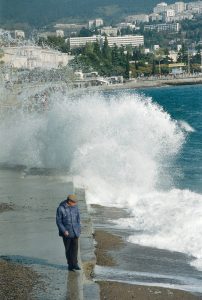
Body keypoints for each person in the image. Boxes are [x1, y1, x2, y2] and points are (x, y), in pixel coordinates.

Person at [56, 194, 81, 271]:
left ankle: (75, 264)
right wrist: (64, 231)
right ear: (69, 201)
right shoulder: (61, 208)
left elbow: (78, 218)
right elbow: (59, 221)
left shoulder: (75, 207)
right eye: (74, 202)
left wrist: (79, 228)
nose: (75, 204)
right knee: (68, 249)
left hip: (75, 231)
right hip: (66, 232)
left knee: (75, 248)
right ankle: (70, 265)